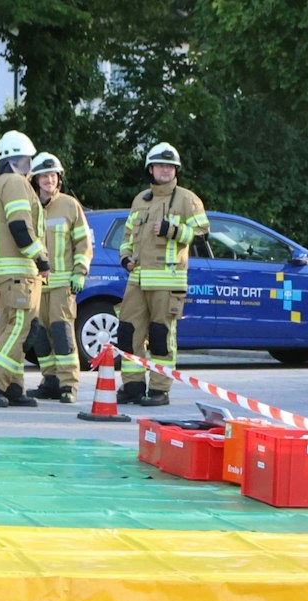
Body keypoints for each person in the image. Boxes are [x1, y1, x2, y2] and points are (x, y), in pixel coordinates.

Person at [116, 142, 205, 407]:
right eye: (160, 166)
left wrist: (173, 230)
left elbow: (202, 237)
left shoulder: (187, 199)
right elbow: (128, 236)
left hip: (168, 282)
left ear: (176, 170)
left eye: (170, 166)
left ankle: (159, 389)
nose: (165, 170)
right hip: (137, 280)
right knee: (127, 332)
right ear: (150, 169)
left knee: (160, 337)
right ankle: (132, 386)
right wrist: (125, 257)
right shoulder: (140, 199)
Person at [0, 130, 48, 407]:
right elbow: (20, 226)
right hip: (19, 269)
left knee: (10, 328)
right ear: (21, 160)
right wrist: (40, 258)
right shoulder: (16, 183)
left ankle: (13, 387)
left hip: (4, 271)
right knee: (20, 327)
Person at [30, 151, 92, 403]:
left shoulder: (69, 205)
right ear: (35, 180)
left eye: (53, 175)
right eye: (44, 176)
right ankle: (50, 379)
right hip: (35, 286)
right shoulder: (28, 206)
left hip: (62, 286)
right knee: (40, 336)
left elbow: (83, 242)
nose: (49, 180)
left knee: (62, 334)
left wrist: (80, 272)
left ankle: (68, 385)